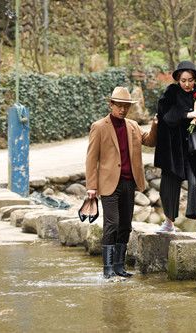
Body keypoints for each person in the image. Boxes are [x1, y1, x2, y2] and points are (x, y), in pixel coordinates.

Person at [85, 86, 157, 279]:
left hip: (129, 182)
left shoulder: (133, 126)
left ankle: (119, 266)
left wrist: (156, 125)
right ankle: (107, 268)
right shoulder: (99, 126)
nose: (123, 109)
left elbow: (149, 141)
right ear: (111, 105)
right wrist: (91, 187)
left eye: (126, 106)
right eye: (119, 105)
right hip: (108, 184)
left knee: (125, 225)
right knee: (112, 224)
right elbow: (91, 159)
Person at [154, 61, 196, 240]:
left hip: (195, 150)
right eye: (183, 80)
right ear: (178, 80)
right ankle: (169, 223)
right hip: (174, 150)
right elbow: (165, 116)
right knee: (169, 185)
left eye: (190, 80)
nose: (187, 84)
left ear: (195, 79)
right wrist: (186, 114)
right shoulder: (171, 93)